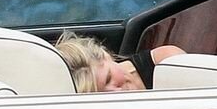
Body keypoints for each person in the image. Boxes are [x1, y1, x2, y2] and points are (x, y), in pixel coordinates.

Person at [53, 33, 182, 92]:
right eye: (101, 96)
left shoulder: (167, 62)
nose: (115, 92)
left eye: (108, 79)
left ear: (106, 55)